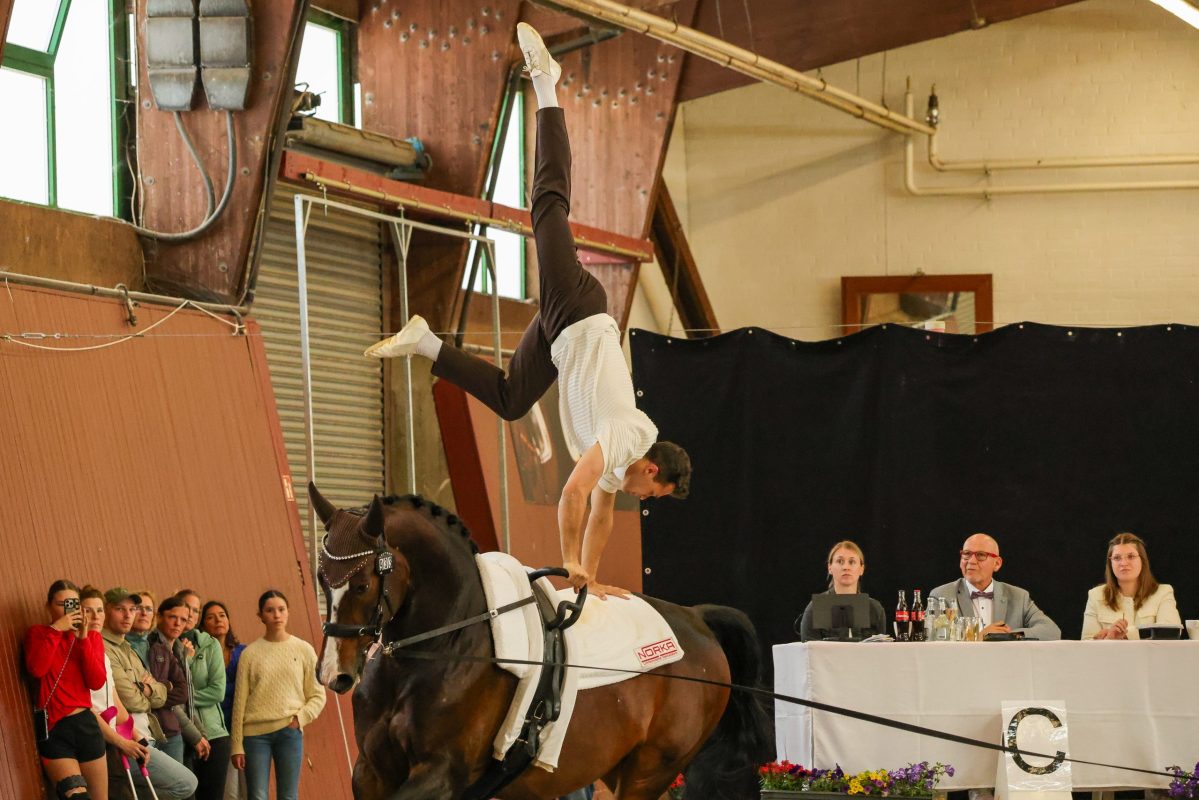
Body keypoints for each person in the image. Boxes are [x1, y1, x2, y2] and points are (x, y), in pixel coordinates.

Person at [364, 22, 692, 600]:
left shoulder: (619, 467)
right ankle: (546, 86)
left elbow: (601, 515)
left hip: (559, 338)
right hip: (581, 313)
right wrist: (570, 566)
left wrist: (590, 578)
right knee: (548, 205)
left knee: (514, 399)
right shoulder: (629, 434)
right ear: (652, 471)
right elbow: (571, 496)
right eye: (654, 495)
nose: (646, 500)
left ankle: (427, 344)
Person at [101, 587, 198, 799]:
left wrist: (149, 689)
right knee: (186, 784)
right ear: (106, 610)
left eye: (132, 609)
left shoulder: (126, 647)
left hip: (149, 734)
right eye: (120, 609)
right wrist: (153, 690)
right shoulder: (103, 647)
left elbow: (171, 691)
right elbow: (131, 700)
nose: (129, 615)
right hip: (126, 742)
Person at [230, 590, 326, 800]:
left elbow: (318, 695)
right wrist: (236, 744)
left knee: (288, 796)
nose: (276, 615)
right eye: (270, 610)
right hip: (255, 736)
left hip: (289, 732)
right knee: (257, 796)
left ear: (288, 612)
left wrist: (299, 719)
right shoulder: (249, 654)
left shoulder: (303, 650)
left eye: (281, 610)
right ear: (261, 615)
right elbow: (240, 702)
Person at [25, 579, 108, 799]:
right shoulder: (38, 633)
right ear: (48, 606)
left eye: (72, 604)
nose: (67, 610)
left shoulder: (92, 637)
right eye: (61, 604)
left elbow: (96, 681)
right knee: (75, 795)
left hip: (86, 725)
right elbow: (37, 669)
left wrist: (83, 641)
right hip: (55, 728)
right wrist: (55, 630)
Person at [81, 585, 152, 799]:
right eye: (87, 610)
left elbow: (115, 700)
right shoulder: (78, 649)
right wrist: (121, 741)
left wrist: (136, 736)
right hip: (96, 737)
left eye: (99, 610)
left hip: (114, 735)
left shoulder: (100, 651)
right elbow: (86, 707)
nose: (95, 616)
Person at [930, 533, 1061, 640]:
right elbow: (932, 638)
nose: (971, 561)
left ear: (997, 564)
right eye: (966, 554)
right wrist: (980, 636)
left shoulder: (1019, 596)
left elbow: (1051, 631)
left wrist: (1007, 635)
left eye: (981, 555)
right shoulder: (941, 595)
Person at [178, 595, 231, 800]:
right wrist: (185, 660)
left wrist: (182, 698)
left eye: (196, 610)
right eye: (187, 608)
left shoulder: (210, 644)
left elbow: (217, 691)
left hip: (213, 733)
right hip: (180, 735)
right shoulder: (162, 643)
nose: (191, 614)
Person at [1082, 532, 1180, 640]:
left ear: (1142, 560)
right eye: (1117, 558)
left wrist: (1126, 634)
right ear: (1110, 564)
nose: (1123, 563)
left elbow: (1170, 633)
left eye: (1131, 556)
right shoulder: (1095, 595)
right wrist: (1110, 638)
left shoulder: (1163, 592)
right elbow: (1086, 645)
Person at [147, 597, 210, 764]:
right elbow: (168, 700)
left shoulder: (180, 649)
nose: (178, 624)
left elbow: (185, 694)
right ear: (159, 617)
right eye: (172, 617)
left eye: (183, 619)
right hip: (164, 730)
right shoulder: (153, 645)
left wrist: (200, 732)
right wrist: (195, 735)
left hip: (182, 730)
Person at [201, 600, 246, 800]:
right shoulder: (200, 654)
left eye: (222, 615)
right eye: (211, 617)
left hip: (240, 728)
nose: (218, 620)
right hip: (212, 729)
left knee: (243, 788)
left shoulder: (244, 653)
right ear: (203, 625)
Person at [797, 540, 886, 641]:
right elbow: (810, 653)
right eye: (840, 561)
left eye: (852, 562)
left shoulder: (874, 609)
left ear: (861, 569)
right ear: (829, 567)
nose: (846, 567)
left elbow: (880, 652)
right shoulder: (817, 608)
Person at [126, 590, 156, 667]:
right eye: (138, 608)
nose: (144, 613)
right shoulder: (120, 644)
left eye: (149, 609)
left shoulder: (158, 645)